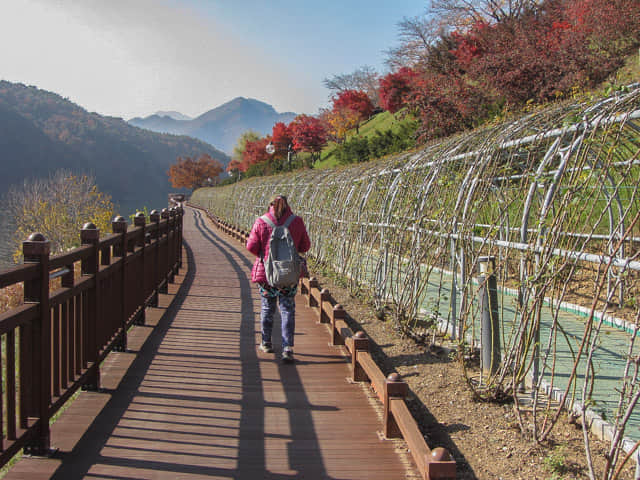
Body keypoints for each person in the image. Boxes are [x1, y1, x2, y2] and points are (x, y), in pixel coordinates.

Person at [246, 195, 311, 363]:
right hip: (288, 274)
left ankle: (266, 342)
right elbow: (305, 246)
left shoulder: (261, 221)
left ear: (270, 205)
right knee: (287, 309)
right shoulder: (297, 221)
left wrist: (265, 255)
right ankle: (287, 347)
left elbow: (251, 246)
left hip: (267, 275)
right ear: (287, 205)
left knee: (267, 307)